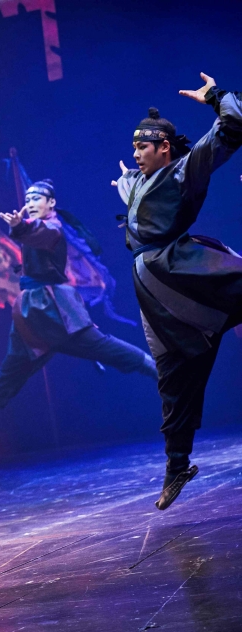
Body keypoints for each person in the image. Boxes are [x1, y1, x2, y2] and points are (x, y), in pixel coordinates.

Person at [111, 73, 242, 510]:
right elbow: (132, 195)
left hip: (182, 268)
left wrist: (215, 97)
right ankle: (177, 465)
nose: (136, 154)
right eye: (134, 148)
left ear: (164, 146)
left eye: (142, 147)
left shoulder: (184, 170)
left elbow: (231, 128)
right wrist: (126, 183)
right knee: (172, 374)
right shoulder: (139, 181)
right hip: (152, 287)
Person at [0, 178, 158, 436]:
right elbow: (32, 237)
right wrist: (21, 234)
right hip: (32, 311)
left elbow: (41, 234)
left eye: (36, 199)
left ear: (51, 203)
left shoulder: (52, 228)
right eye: (27, 200)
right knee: (12, 367)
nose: (30, 203)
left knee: (101, 346)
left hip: (54, 309)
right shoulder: (36, 228)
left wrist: (20, 226)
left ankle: (151, 366)